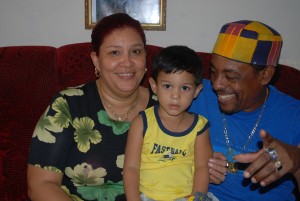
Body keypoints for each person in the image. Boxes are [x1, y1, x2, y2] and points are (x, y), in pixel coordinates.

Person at [27, 13, 157, 201]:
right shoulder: (67, 106)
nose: (127, 62)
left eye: (135, 51)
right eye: (115, 52)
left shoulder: (167, 107)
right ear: (96, 60)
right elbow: (41, 185)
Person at [189, 20, 300, 200]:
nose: (217, 84)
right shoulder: (194, 94)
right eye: (213, 71)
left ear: (265, 75)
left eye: (231, 77)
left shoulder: (295, 115)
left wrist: (297, 163)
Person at [123, 45, 215, 201]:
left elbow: (202, 168)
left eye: (185, 88)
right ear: (154, 86)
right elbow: (131, 168)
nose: (175, 96)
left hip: (187, 197)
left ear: (197, 91)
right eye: (167, 86)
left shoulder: (200, 127)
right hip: (146, 196)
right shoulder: (142, 122)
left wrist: (195, 199)